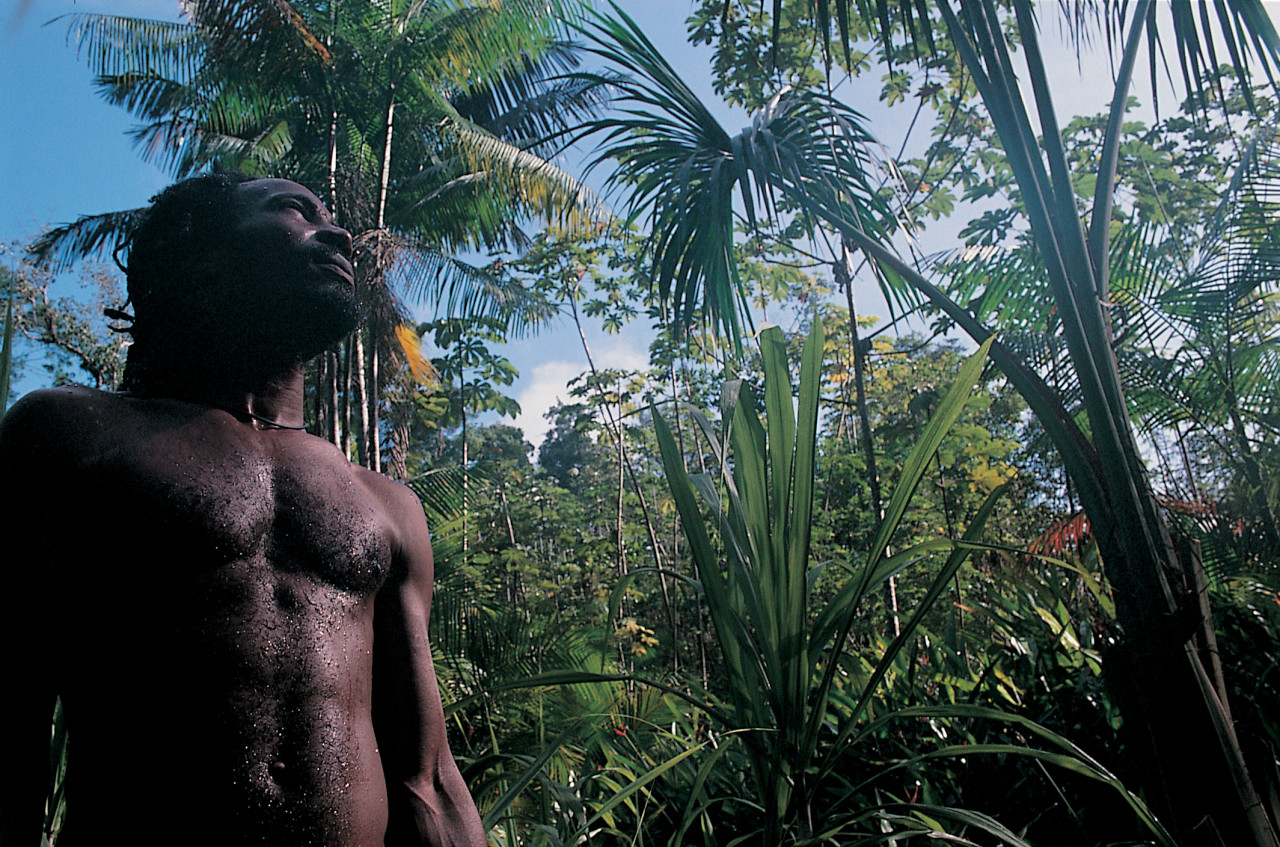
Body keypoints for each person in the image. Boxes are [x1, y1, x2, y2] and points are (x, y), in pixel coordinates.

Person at [0, 174, 487, 847]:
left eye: (331, 217)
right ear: (198, 255)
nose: (339, 234)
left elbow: (425, 778)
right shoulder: (70, 436)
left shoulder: (387, 504)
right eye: (296, 210)